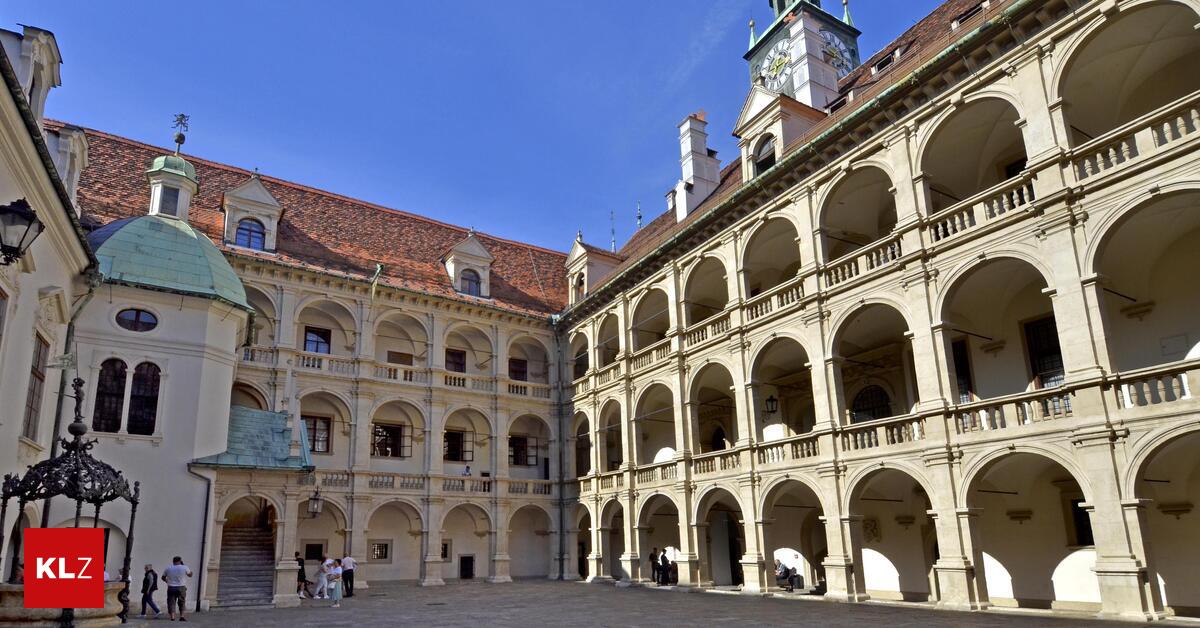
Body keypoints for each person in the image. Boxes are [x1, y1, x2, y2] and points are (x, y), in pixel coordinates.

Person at [161, 556, 192, 622]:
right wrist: (185, 567)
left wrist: (167, 581)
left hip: (171, 587)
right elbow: (190, 575)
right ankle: (182, 616)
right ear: (180, 561)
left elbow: (163, 577)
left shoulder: (168, 568)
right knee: (182, 601)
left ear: (173, 561)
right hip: (181, 587)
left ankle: (172, 617)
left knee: (171, 602)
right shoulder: (184, 567)